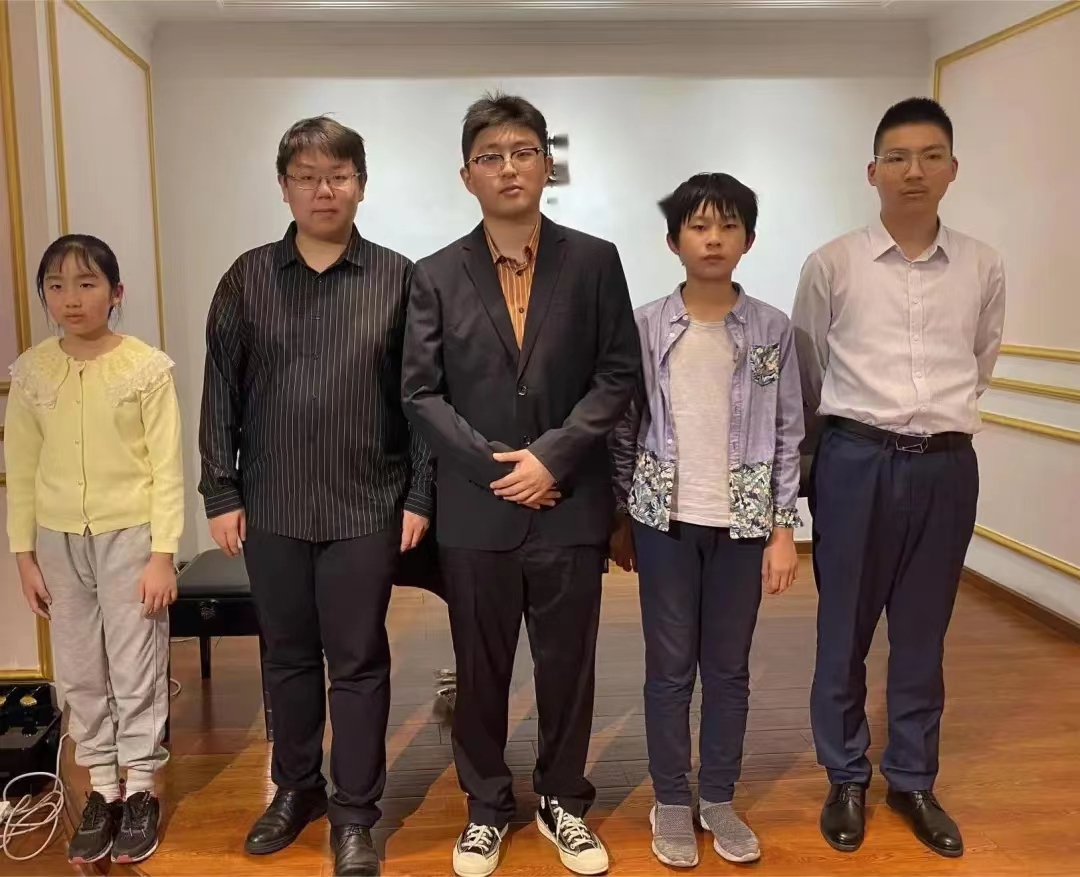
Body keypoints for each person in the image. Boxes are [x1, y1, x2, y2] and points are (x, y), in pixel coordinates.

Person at [402, 92, 640, 877]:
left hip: (569, 505)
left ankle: (563, 799)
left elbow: (617, 374)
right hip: (478, 510)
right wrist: (499, 469)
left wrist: (552, 458)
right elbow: (421, 393)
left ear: (547, 165)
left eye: (523, 152)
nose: (508, 167)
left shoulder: (595, 260)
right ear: (466, 175)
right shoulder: (435, 274)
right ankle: (486, 805)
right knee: (481, 669)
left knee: (568, 666)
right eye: (490, 156)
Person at [199, 116, 433, 877]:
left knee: (359, 661)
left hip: (367, 505)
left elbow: (422, 398)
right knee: (287, 657)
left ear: (361, 185)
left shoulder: (399, 279)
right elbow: (220, 392)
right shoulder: (246, 279)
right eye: (306, 176)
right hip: (272, 504)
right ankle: (296, 788)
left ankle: (356, 813)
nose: (322, 189)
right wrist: (220, 491)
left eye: (338, 175)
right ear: (284, 186)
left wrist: (420, 494)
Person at [791, 97, 1006, 859]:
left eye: (930, 155)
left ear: (952, 168)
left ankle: (913, 777)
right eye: (898, 157)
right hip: (855, 460)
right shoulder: (832, 263)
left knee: (923, 631)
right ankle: (845, 775)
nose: (914, 170)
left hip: (947, 465)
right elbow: (808, 369)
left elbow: (980, 359)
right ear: (873, 170)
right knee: (842, 629)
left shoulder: (982, 264)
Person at [609, 173, 803, 868]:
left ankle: (717, 796)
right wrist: (623, 514)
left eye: (727, 226)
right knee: (668, 669)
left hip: (743, 525)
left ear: (748, 239)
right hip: (664, 519)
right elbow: (624, 425)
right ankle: (669, 798)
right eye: (698, 226)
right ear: (674, 241)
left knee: (727, 669)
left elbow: (788, 430)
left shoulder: (773, 328)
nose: (713, 238)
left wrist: (784, 528)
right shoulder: (646, 325)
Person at [5, 235, 182, 866]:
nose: (71, 298)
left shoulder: (145, 368)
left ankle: (141, 788)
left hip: (130, 535)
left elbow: (166, 467)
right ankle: (102, 788)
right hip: (57, 540)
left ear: (115, 292)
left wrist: (163, 554)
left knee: (136, 664)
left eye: (86, 284)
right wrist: (23, 555)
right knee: (79, 668)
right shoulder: (32, 371)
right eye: (56, 286)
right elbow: (22, 467)